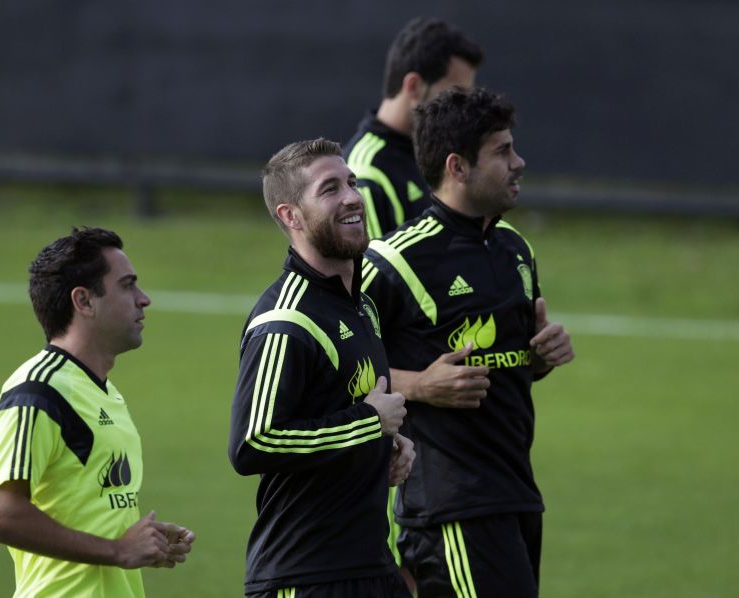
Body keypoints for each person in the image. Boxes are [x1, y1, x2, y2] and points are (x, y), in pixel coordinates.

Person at [361, 88, 575, 597]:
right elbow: (336, 369)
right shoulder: (393, 261)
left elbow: (508, 364)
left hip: (516, 492)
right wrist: (421, 385)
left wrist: (539, 358)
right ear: (457, 167)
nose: (518, 163)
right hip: (449, 507)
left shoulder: (514, 248)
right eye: (502, 152)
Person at [229, 138, 415, 597]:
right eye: (330, 189)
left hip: (372, 566)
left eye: (352, 182)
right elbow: (254, 441)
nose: (353, 196)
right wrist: (369, 424)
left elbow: (340, 415)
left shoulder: (362, 308)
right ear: (290, 216)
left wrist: (384, 447)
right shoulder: (285, 320)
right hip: (307, 576)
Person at [0, 227, 195, 597]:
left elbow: (84, 506)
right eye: (127, 286)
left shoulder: (103, 392)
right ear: (84, 301)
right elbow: (1, 516)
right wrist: (117, 550)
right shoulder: (39, 391)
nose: (144, 300)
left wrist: (139, 543)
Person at [344, 16, 484, 238]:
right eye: (455, 94)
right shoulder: (366, 171)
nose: (463, 108)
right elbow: (375, 271)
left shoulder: (440, 153)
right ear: (414, 86)